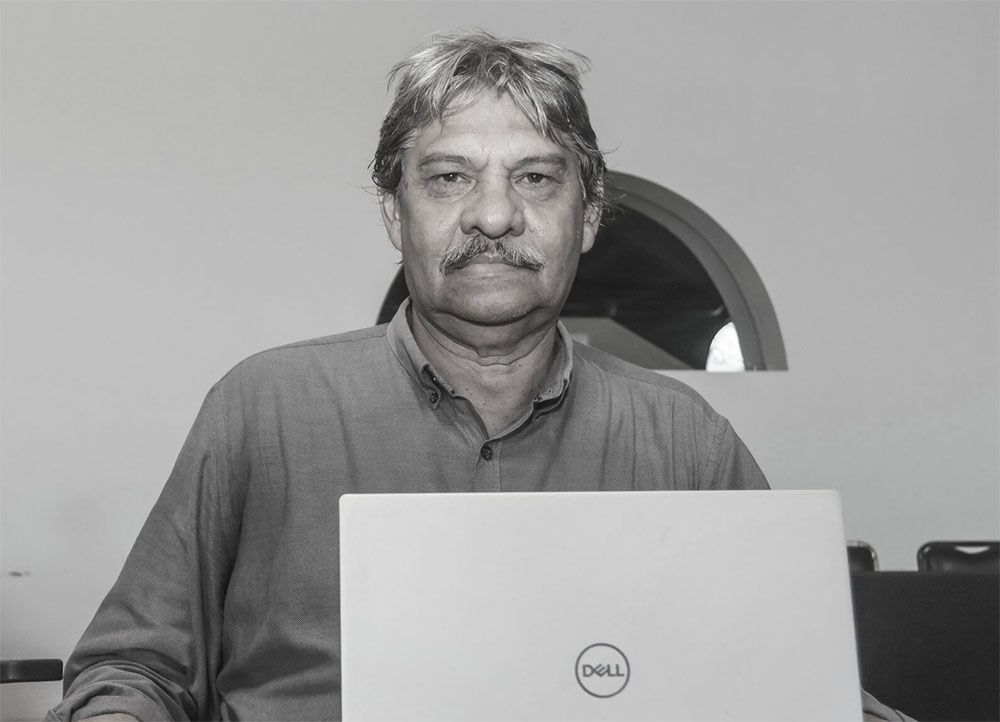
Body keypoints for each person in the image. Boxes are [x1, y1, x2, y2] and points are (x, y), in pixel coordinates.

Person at [48, 30, 910, 722]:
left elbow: (804, 685)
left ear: (588, 216)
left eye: (535, 178)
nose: (494, 214)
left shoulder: (684, 438)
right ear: (396, 213)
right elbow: (136, 666)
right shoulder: (265, 408)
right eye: (450, 177)